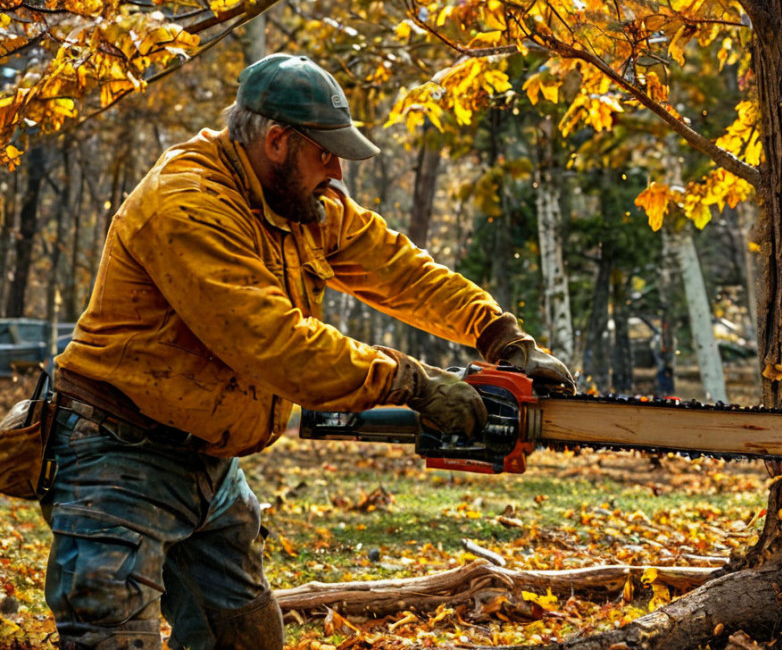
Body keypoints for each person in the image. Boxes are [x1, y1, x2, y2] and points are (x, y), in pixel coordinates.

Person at [42, 53, 574, 650]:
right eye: (326, 152)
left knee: (244, 636)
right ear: (276, 141)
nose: (338, 170)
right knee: (110, 636)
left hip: (207, 460)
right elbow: (275, 343)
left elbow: (395, 266)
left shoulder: (296, 204)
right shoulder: (186, 206)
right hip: (119, 454)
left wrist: (497, 331)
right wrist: (414, 384)